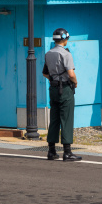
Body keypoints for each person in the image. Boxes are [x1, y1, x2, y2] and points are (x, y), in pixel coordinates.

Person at [42, 28, 81, 161]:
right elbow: (71, 74)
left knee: (54, 119)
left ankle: (51, 151)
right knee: (66, 119)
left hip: (53, 89)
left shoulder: (48, 53)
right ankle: (67, 152)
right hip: (65, 89)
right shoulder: (66, 54)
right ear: (65, 38)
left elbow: (45, 73)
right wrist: (75, 83)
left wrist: (54, 79)